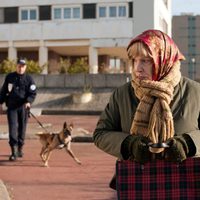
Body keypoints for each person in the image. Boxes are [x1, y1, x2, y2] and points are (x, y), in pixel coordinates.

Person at [93, 29, 200, 190]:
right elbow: (100, 134)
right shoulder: (122, 94)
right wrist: (129, 144)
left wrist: (188, 144)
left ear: (165, 59)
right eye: (134, 60)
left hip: (186, 182)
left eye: (146, 60)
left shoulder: (194, 92)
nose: (138, 68)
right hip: (138, 183)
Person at [0, 58, 37, 161]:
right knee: (12, 129)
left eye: (23, 66)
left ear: (25, 67)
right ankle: (14, 151)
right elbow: (3, 91)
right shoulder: (10, 77)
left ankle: (20, 148)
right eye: (19, 66)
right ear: (16, 66)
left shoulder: (29, 79)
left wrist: (29, 101)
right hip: (12, 107)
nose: (21, 68)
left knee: (22, 129)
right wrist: (0, 102)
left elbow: (33, 93)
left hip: (23, 107)